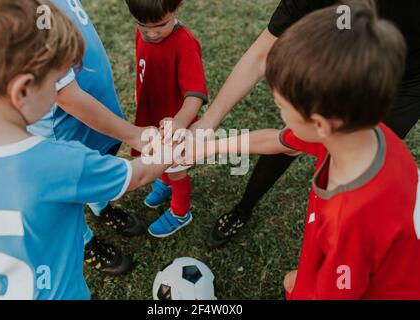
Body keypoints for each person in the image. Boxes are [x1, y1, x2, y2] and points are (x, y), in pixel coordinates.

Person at [179, 4, 420, 299]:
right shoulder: (360, 134)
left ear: (319, 123)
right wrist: (206, 147)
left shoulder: (351, 220)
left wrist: (304, 284)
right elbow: (276, 141)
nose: (280, 115)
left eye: (282, 107)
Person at [0, 0, 173, 299]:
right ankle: (86, 240)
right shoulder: (58, 162)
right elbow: (138, 176)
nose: (59, 89)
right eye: (56, 82)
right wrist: (174, 150)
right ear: (23, 90)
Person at [29, 0, 149, 275]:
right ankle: (83, 241)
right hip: (64, 129)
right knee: (70, 193)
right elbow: (66, 96)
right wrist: (134, 135)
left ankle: (101, 206)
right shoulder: (22, 13)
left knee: (100, 159)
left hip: (96, 106)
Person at [125, 0, 208, 238]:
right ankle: (165, 181)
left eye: (160, 25)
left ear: (178, 7)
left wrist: (179, 123)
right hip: (151, 115)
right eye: (142, 25)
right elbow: (143, 62)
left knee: (176, 168)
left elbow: (196, 95)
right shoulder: (143, 32)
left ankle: (181, 211)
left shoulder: (184, 44)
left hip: (174, 126)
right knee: (154, 155)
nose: (151, 33)